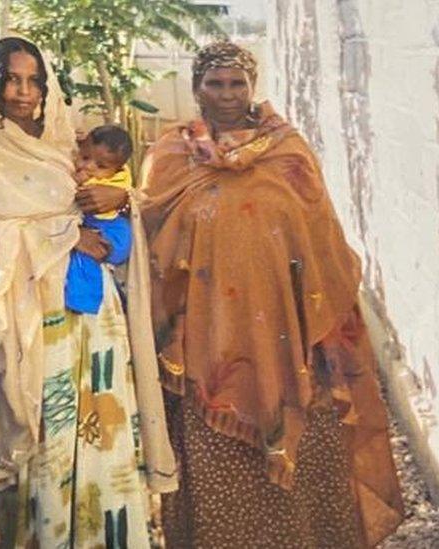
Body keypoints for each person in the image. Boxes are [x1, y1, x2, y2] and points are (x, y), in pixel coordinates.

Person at [139, 41, 404, 547]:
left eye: (237, 83)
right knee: (219, 473)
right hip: (207, 350)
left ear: (252, 87)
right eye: (214, 84)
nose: (226, 95)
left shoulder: (289, 153)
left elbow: (324, 242)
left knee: (308, 469)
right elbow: (150, 241)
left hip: (292, 347)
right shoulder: (170, 159)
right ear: (195, 89)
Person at [0, 36, 176, 548]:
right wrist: (64, 234)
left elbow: (115, 216)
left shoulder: (65, 143)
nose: (23, 91)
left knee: (103, 421)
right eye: (12, 78)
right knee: (46, 436)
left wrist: (119, 199)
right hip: (27, 312)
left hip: (93, 314)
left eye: (34, 80)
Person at [65, 124, 134, 314]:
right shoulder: (113, 170)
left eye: (100, 166)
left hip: (111, 228)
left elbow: (77, 190)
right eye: (85, 157)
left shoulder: (112, 181)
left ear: (118, 169)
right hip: (96, 225)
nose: (89, 166)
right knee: (84, 258)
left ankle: (83, 301)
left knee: (87, 258)